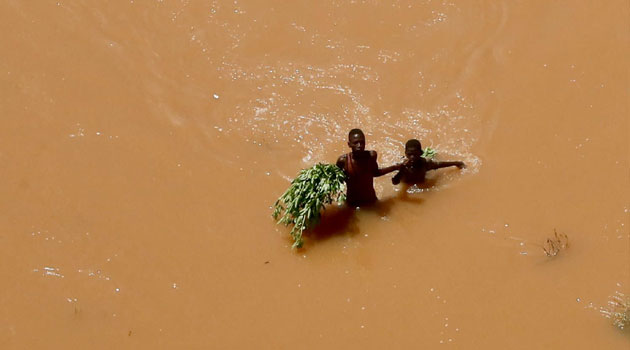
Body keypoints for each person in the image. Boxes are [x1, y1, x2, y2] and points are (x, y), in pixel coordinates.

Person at [336, 129, 399, 207]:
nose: (360, 145)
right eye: (356, 143)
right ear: (349, 144)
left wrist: (395, 167)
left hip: (370, 200)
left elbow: (375, 173)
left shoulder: (371, 156)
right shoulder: (343, 161)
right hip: (352, 203)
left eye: (362, 142)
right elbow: (337, 181)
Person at [392, 139, 465, 185]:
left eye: (415, 154)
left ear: (420, 153)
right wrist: (401, 170)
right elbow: (395, 182)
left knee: (434, 158)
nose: (412, 157)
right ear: (405, 153)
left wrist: (456, 163)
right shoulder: (402, 166)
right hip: (408, 185)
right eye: (409, 154)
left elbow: (440, 164)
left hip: (421, 184)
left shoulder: (425, 163)